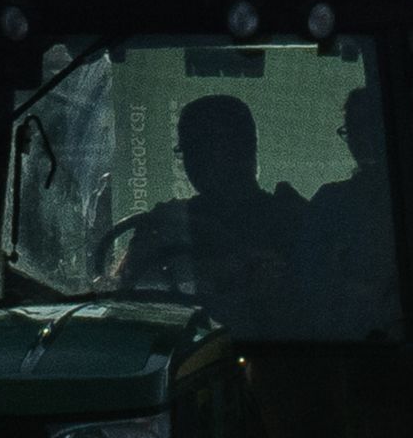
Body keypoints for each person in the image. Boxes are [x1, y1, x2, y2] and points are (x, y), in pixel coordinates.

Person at [117, 93, 306, 328]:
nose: (194, 162)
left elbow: (304, 304)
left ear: (245, 149)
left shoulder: (290, 220)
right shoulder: (167, 221)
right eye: (188, 151)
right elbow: (128, 293)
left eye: (207, 147)